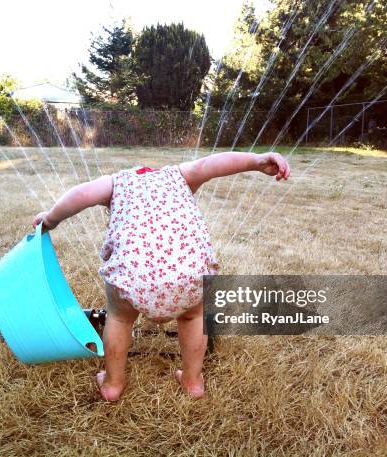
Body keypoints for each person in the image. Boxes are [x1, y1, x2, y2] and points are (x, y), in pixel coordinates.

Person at [33, 151, 291, 401]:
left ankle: (113, 384)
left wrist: (51, 219)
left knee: (120, 319)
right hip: (189, 273)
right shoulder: (179, 175)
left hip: (133, 276)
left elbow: (82, 194)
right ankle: (192, 382)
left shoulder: (117, 181)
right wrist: (256, 161)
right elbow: (212, 164)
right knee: (193, 316)